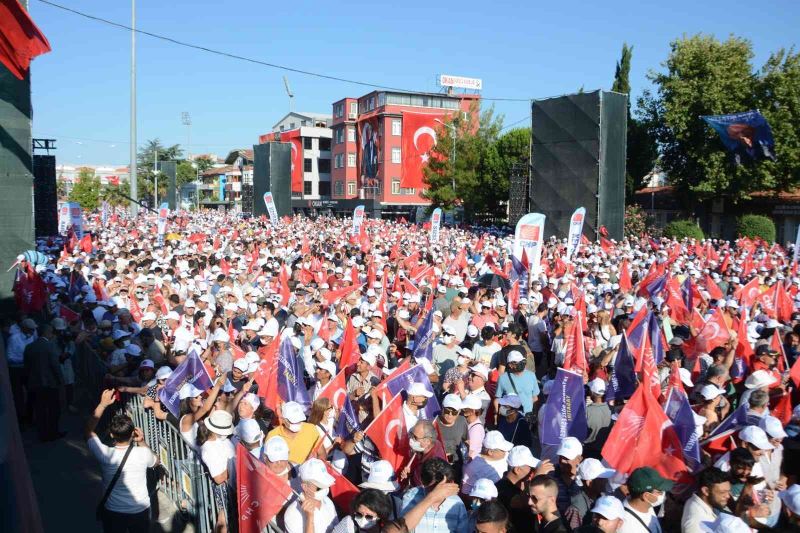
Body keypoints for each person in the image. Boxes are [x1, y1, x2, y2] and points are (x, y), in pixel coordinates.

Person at [86, 389, 157, 533]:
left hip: (113, 510)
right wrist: (142, 442)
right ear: (133, 433)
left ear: (111, 434)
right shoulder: (142, 453)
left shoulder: (105, 454)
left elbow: (88, 430)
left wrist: (102, 404)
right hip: (140, 509)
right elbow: (156, 462)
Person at [398, 458, 469, 533]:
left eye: (443, 487)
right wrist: (431, 498)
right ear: (423, 482)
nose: (439, 493)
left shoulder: (457, 504)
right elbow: (401, 529)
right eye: (434, 489)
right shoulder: (411, 496)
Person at [496, 446, 553, 532]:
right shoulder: (501, 488)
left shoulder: (523, 485)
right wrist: (537, 477)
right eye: (531, 467)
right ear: (517, 470)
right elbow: (518, 502)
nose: (533, 471)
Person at [24, 323, 65, 441]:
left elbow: (26, 366)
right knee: (53, 409)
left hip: (35, 383)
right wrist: (60, 381)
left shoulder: (29, 347)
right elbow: (55, 365)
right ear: (48, 333)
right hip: (50, 383)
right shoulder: (50, 346)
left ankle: (43, 434)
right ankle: (53, 432)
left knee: (40, 409)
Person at [284, 458, 340, 533]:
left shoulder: (327, 501)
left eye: (326, 484)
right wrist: (310, 518)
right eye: (320, 486)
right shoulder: (292, 514)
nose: (325, 489)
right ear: (305, 487)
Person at [564, 458, 616, 530]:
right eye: (601, 479)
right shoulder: (576, 509)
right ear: (589, 483)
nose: (605, 481)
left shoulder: (600, 497)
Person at [619, 467, 672, 533]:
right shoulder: (629, 527)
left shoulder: (646, 506)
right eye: (660, 492)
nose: (663, 495)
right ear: (646, 496)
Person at [461, 430, 513, 496]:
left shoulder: (505, 456)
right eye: (503, 450)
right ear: (490, 452)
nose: (506, 452)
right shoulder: (473, 468)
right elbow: (465, 493)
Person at [681, 467, 731, 533]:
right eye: (722, 492)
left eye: (728, 491)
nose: (728, 496)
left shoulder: (696, 500)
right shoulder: (696, 523)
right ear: (706, 491)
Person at [493, 350, 539, 418]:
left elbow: (535, 398)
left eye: (521, 361)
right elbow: (497, 399)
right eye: (516, 362)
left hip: (527, 416)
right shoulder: (503, 378)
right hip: (509, 418)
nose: (520, 363)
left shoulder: (531, 375)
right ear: (510, 365)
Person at [402, 419, 446, 486]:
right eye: (411, 434)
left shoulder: (433, 465)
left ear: (427, 441)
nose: (411, 439)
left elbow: (427, 489)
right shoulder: (431, 445)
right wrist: (410, 474)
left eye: (415, 437)